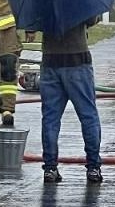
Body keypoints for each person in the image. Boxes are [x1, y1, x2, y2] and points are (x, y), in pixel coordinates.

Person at [34, 15, 103, 184]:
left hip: (50, 60)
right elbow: (92, 19)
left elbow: (36, 22)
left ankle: (50, 168)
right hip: (77, 59)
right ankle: (93, 167)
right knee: (88, 116)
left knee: (50, 118)